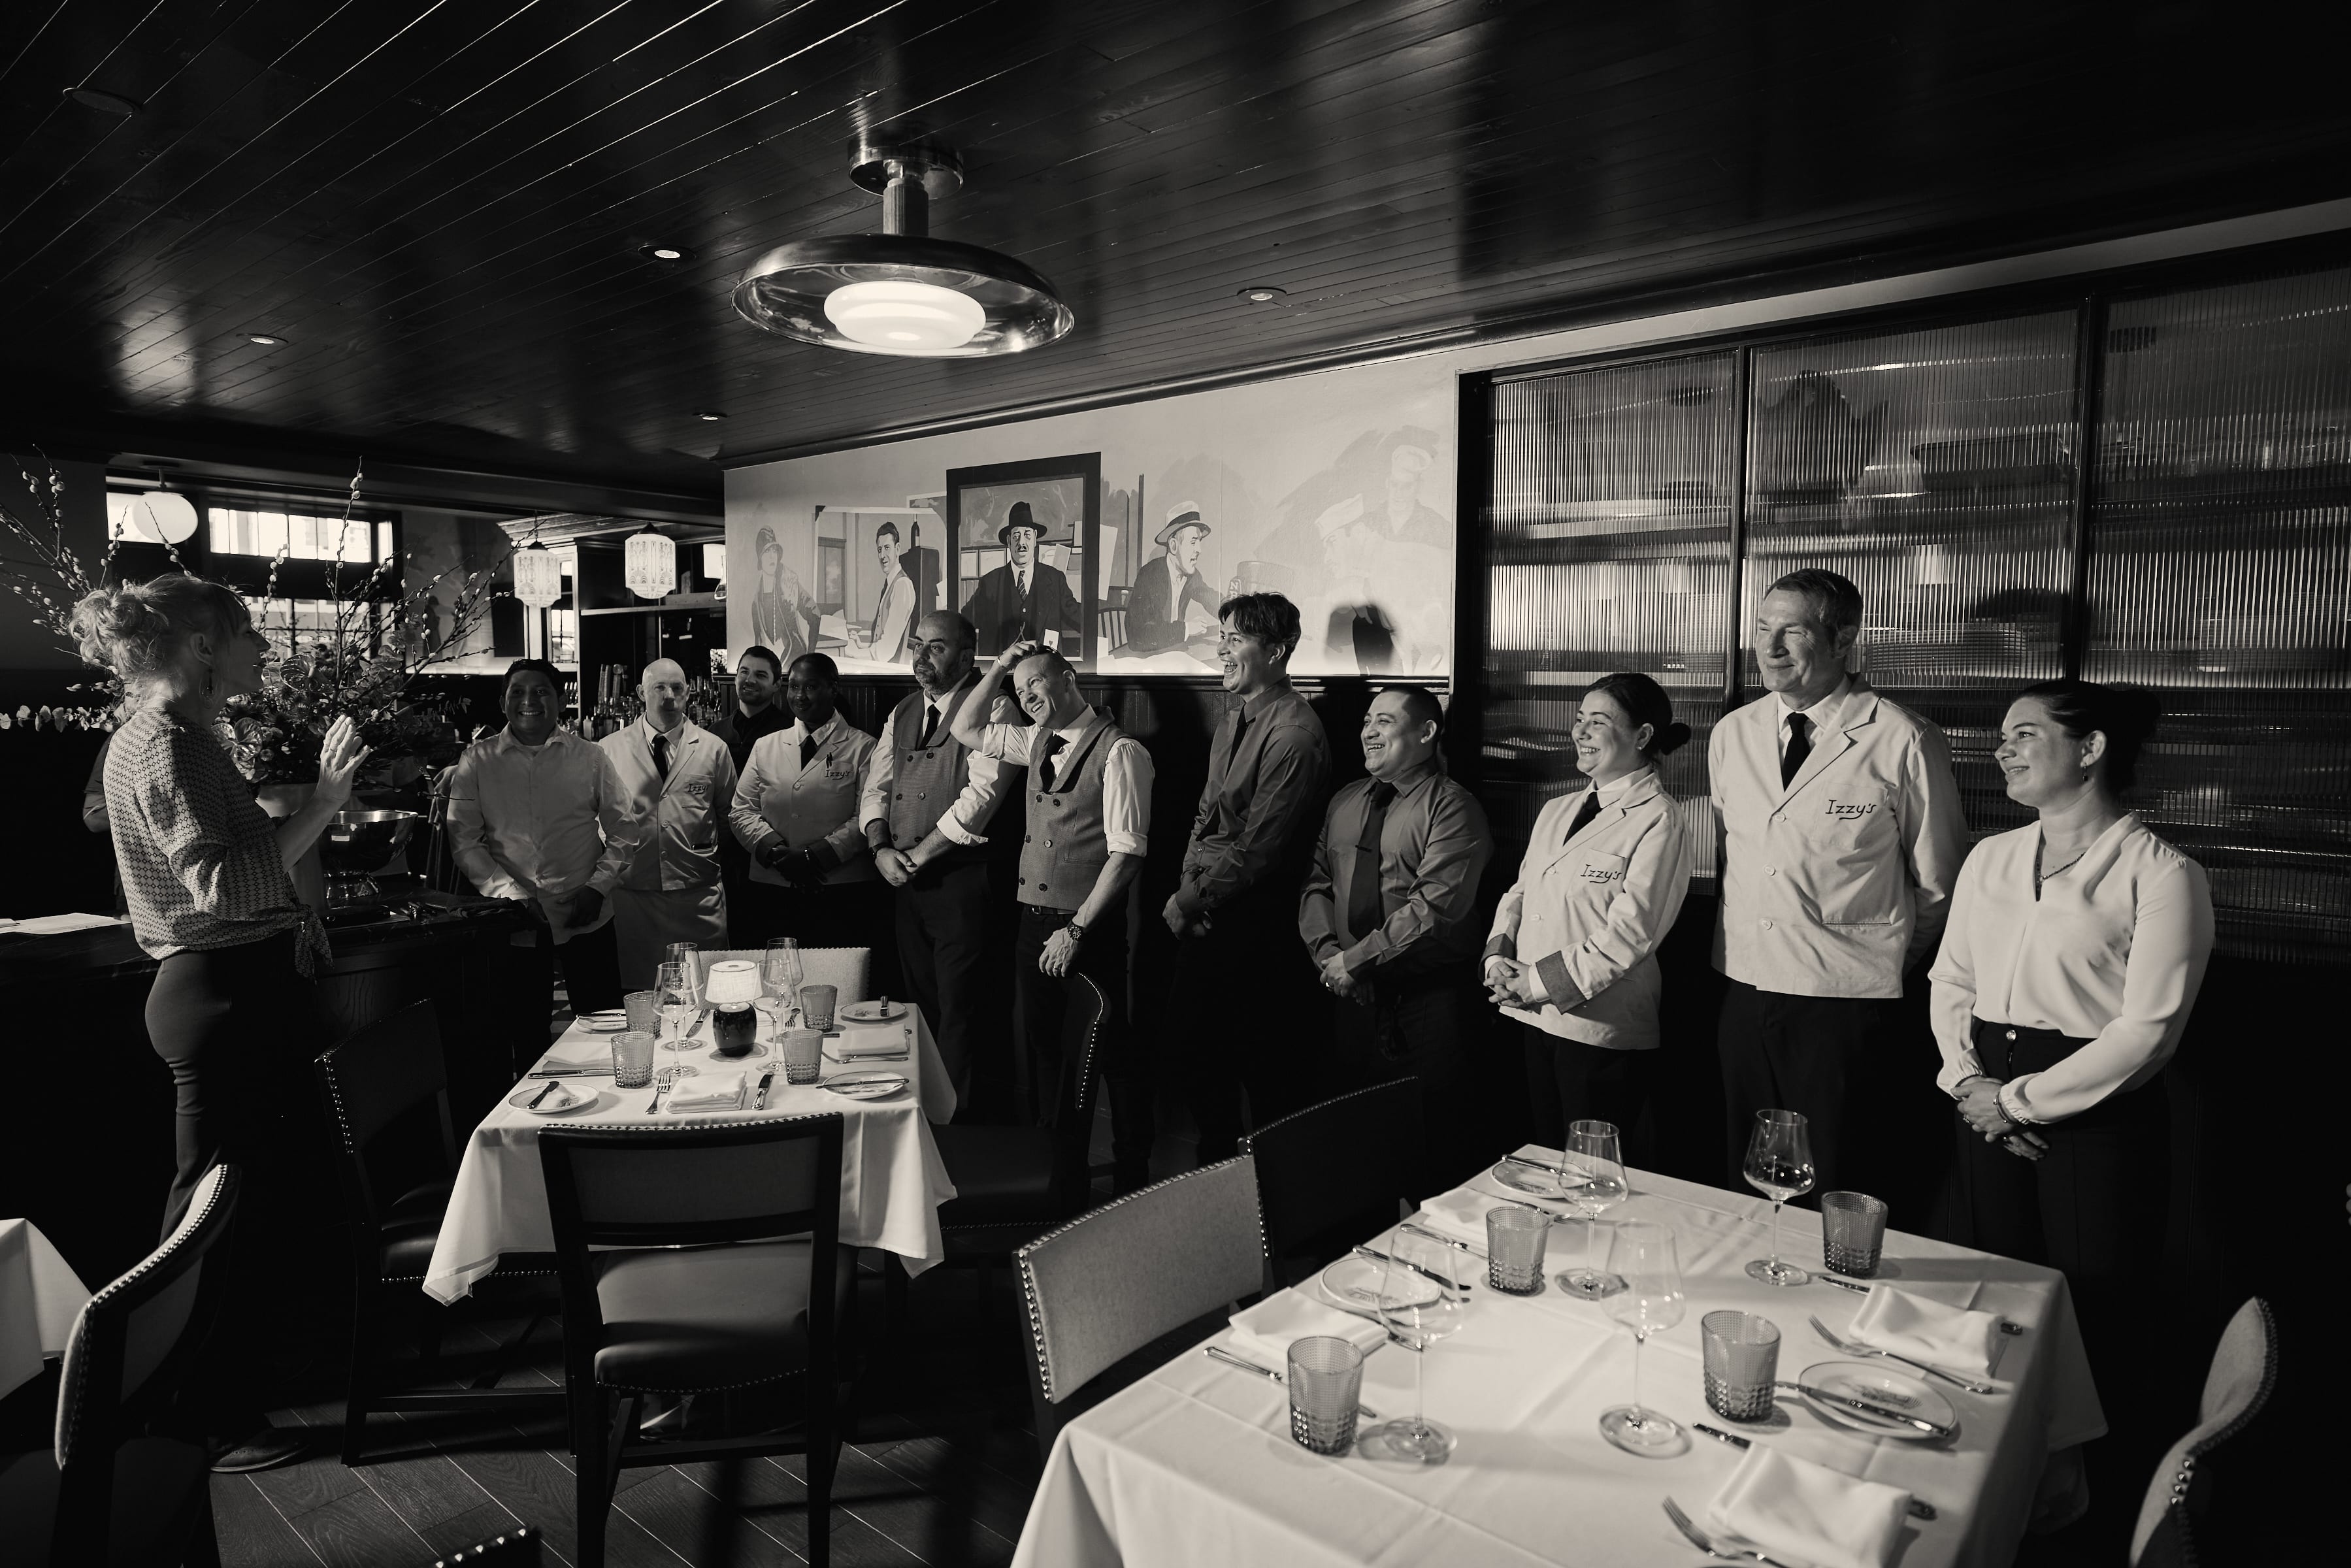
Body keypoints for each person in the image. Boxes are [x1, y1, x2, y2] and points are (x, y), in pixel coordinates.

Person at [70, 574, 370, 1474]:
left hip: (227, 991)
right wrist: (319, 802)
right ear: (203, 647)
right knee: (213, 1217)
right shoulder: (170, 746)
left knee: (226, 1205)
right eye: (249, 634)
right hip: (224, 993)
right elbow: (228, 886)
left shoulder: (164, 738)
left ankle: (215, 1399)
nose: (266, 651)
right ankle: (193, 1416)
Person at [1930, 680, 2210, 1439]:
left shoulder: (2162, 874)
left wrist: (2019, 1102)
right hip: (1981, 1090)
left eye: (2024, 734)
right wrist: (1967, 1082)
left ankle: (2084, 1493)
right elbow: (1951, 979)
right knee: (1993, 1293)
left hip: (2096, 1114)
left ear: (2090, 749)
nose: (2001, 748)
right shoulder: (1991, 857)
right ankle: (1993, 1459)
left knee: (2094, 1309)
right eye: (2002, 734)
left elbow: (2148, 1031)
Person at [1710, 568, 1969, 1198]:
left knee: (1836, 1171)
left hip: (1845, 999)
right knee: (1747, 1171)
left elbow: (1939, 883)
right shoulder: (1733, 733)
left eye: (1791, 633)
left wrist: (1877, 958)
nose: (1769, 649)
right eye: (1763, 629)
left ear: (1844, 637)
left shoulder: (1903, 737)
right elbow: (1737, 857)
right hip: (1744, 986)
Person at [953, 638, 1157, 1188]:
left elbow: (1128, 854)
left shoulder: (1120, 752)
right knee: (1045, 1047)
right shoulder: (1032, 740)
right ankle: (1058, 1167)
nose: (1027, 696)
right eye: (1019, 691)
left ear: (1068, 677)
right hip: (1031, 922)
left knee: (1111, 1051)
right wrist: (997, 668)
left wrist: (1077, 928)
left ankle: (1132, 1172)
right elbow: (965, 729)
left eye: (1036, 683)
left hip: (1085, 927)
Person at [1485, 673, 1694, 1164]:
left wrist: (1535, 981)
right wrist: (1498, 958)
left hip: (1599, 1029)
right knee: (1539, 1163)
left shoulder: (1659, 819)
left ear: (1642, 737)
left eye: (1597, 722)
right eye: (1579, 720)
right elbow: (1519, 892)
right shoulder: (1558, 808)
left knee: (1589, 1176)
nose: (1580, 732)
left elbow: (1630, 935)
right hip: (1533, 1015)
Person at [1300, 685, 1492, 1181]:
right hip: (1351, 1000)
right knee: (1356, 1158)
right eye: (1367, 720)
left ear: (1427, 732)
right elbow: (1317, 884)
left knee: (1436, 1156)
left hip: (1429, 1007)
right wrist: (1331, 958)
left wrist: (1357, 960)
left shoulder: (1453, 808)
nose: (1368, 731)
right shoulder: (1345, 801)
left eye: (1384, 721)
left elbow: (1434, 909)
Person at [1165, 591, 1332, 1162]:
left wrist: (1191, 900)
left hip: (1257, 920)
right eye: (1224, 637)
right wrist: (1188, 887)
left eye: (1236, 639)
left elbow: (1259, 848)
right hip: (1208, 904)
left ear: (1279, 651)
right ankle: (1216, 1189)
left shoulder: (1294, 734)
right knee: (1191, 1054)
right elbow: (1205, 814)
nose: (1222, 650)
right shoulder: (1234, 715)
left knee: (1263, 1074)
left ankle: (1265, 1206)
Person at [860, 611, 1015, 1105]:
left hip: (963, 883)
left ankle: (959, 1130)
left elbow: (980, 799)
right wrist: (880, 847)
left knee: (961, 1010)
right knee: (921, 1005)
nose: (922, 656)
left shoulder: (997, 709)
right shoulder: (903, 710)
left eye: (937, 647)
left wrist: (918, 856)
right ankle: (924, 1118)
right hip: (906, 882)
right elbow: (876, 786)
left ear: (968, 657)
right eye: (917, 645)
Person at [446, 659, 636, 1039]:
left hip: (585, 912)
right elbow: (465, 841)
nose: (528, 701)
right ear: (503, 703)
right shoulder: (477, 761)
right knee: (524, 1030)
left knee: (603, 1028)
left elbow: (625, 829)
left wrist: (598, 887)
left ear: (560, 701)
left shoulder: (590, 757)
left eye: (541, 691)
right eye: (517, 692)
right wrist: (510, 896)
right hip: (514, 918)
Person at [598, 658, 736, 990]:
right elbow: (596, 818)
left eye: (677, 687)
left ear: (688, 693)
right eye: (659, 687)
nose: (669, 695)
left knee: (707, 991)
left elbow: (729, 815)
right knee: (643, 992)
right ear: (641, 693)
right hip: (634, 894)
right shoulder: (609, 750)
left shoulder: (713, 748)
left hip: (698, 895)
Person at [729, 653, 883, 948]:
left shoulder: (864, 747)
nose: (800, 696)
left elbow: (867, 815)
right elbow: (741, 811)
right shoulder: (766, 746)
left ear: (833, 689)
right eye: (794, 686)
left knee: (840, 981)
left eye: (811, 687)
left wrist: (816, 857)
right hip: (771, 887)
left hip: (840, 889)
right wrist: (775, 852)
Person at [708, 645, 793, 938]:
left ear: (777, 684)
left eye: (760, 674)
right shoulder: (714, 734)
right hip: (724, 852)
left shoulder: (788, 732)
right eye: (744, 672)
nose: (749, 680)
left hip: (771, 848)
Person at [962, 500, 1082, 656]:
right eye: (1016, 536)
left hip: (1044, 668)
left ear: (1035, 538)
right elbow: (965, 622)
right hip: (1004, 673)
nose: (1022, 543)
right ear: (1008, 541)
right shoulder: (990, 582)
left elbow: (1077, 617)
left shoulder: (1055, 578)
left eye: (1027, 535)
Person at [1125, 501, 1220, 655]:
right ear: (1174, 546)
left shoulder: (1192, 576)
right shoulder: (1150, 575)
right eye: (1193, 542)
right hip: (1145, 659)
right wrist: (1187, 628)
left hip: (1175, 653)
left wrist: (1236, 611)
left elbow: (1210, 598)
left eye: (1200, 542)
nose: (1199, 550)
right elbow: (1137, 636)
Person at [855, 521, 921, 662]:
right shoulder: (891, 584)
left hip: (889, 670)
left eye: (887, 548)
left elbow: (885, 652)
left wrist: (856, 654)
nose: (882, 555)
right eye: (879, 550)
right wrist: (861, 645)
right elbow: (882, 636)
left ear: (897, 549)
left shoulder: (902, 586)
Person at [751, 525, 817, 664]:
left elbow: (815, 613)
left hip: (795, 654)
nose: (771, 556)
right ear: (760, 557)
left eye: (774, 550)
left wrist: (810, 654)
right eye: (767, 551)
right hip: (771, 661)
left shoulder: (789, 583)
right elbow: (759, 641)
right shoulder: (757, 601)